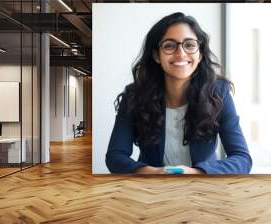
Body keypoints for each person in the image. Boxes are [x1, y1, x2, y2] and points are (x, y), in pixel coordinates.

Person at [106, 12, 252, 174]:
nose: (181, 53)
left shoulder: (218, 93)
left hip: (204, 189)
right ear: (156, 55)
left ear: (200, 53)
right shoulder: (134, 95)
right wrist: (155, 173)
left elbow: (242, 159)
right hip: (151, 191)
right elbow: (115, 156)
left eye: (189, 45)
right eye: (169, 45)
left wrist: (196, 173)